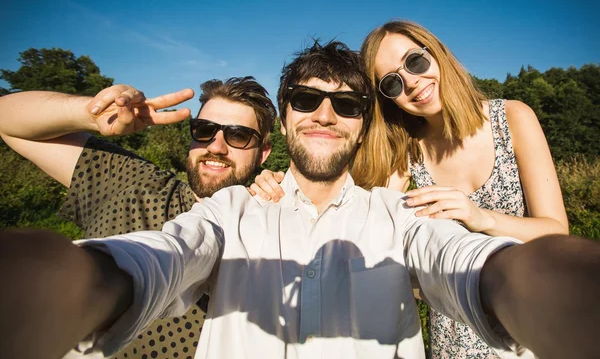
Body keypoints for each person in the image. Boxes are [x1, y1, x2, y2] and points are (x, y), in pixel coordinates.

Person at [1, 41, 599, 359]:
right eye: (306, 99)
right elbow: (157, 257)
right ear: (284, 122)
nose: (324, 113)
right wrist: (61, 286)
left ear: (366, 124)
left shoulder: (400, 216)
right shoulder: (228, 211)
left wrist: (565, 298)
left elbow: (474, 267)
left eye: (347, 104)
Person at [251, 21, 569, 359]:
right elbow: (363, 224)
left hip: (526, 325)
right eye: (392, 83)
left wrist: (480, 218)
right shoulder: (407, 151)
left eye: (415, 62)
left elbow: (555, 231)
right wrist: (284, 184)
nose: (412, 82)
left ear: (438, 53)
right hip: (452, 335)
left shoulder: (512, 118)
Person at [0, 76, 276, 359]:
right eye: (205, 130)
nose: (216, 147)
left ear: (263, 153)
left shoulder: (273, 236)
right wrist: (88, 113)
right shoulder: (131, 182)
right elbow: (7, 120)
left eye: (239, 136)